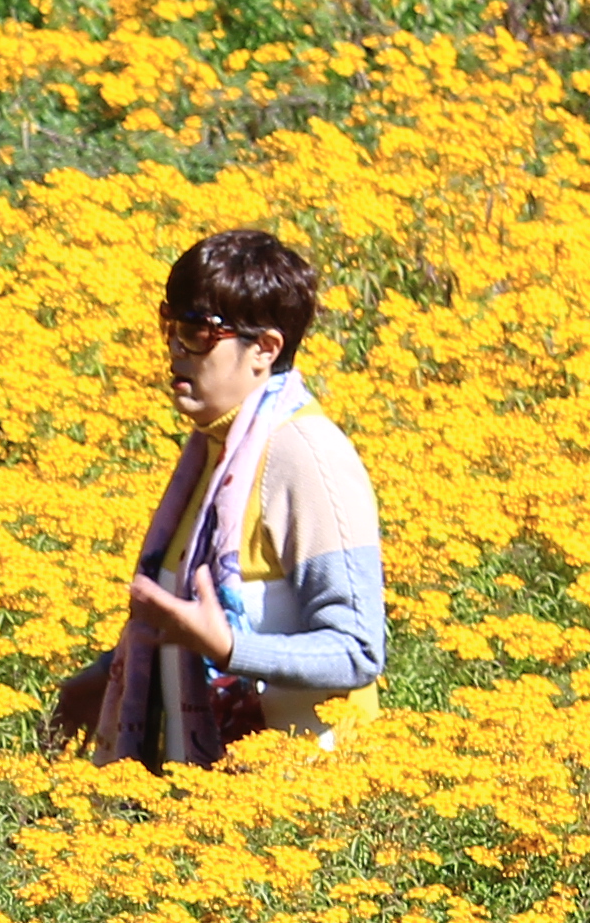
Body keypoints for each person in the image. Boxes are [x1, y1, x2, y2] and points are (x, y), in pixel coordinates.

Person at [57, 228, 387, 767]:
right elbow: (183, 621)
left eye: (197, 333)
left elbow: (358, 650)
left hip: (302, 803)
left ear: (265, 348)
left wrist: (231, 649)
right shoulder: (215, 453)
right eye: (170, 325)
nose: (174, 349)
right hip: (209, 804)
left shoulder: (306, 456)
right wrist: (99, 679)